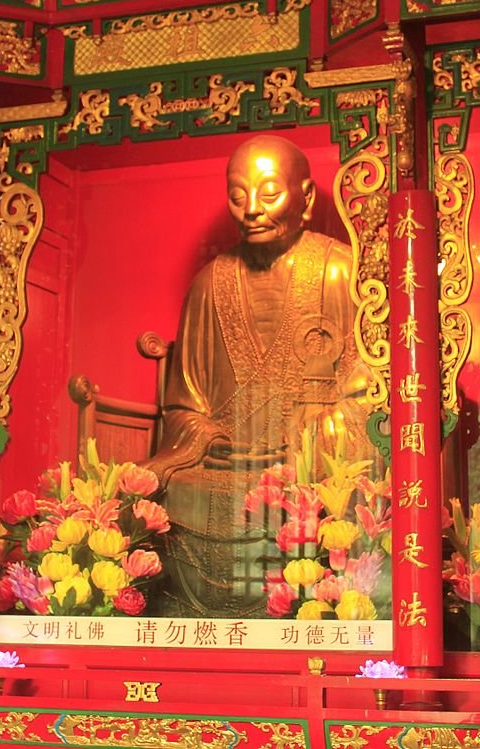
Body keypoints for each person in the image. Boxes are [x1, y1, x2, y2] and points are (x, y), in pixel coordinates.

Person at [142, 134, 371, 617]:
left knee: (331, 499)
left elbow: (367, 393)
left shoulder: (339, 272)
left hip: (308, 469)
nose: (251, 209)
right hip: (222, 466)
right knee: (171, 489)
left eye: (269, 193)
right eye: (238, 194)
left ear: (305, 199)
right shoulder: (208, 285)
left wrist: (308, 434)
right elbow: (183, 404)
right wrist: (203, 435)